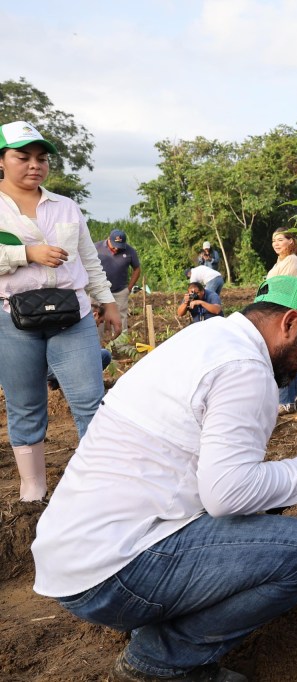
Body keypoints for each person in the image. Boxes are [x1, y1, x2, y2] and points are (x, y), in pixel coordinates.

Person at [31, 276, 297, 682]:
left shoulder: (205, 339)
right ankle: (159, 660)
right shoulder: (246, 368)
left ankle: (158, 621)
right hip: (111, 574)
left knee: (260, 510)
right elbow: (227, 494)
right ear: (289, 322)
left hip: (78, 557)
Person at [0, 120, 120, 502]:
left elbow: (89, 259)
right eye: (23, 157)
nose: (35, 165)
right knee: (25, 404)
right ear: (2, 160)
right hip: (12, 318)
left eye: (41, 158)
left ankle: (98, 486)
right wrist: (26, 254)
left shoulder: (66, 207)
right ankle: (33, 491)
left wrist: (108, 302)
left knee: (89, 400)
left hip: (72, 315)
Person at [268, 227, 297, 414]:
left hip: (285, 313)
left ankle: (285, 401)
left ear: (291, 241)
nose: (276, 244)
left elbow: (284, 289)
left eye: (280, 240)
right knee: (290, 355)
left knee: (281, 355)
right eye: (274, 240)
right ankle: (296, 396)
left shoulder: (291, 260)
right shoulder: (282, 261)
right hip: (285, 312)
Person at [95, 228, 141, 336]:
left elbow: (137, 269)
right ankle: (96, 343)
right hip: (98, 290)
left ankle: (121, 344)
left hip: (119, 291)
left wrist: (128, 288)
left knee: (120, 318)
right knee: (96, 316)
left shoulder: (130, 251)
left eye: (119, 246)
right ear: (108, 239)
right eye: (114, 245)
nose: (116, 249)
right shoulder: (95, 248)